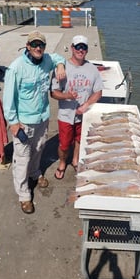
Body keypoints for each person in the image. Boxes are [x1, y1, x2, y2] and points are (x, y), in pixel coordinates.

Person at [3, 30, 66, 214]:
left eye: (41, 45)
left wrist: (60, 65)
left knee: (39, 148)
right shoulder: (16, 68)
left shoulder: (47, 59)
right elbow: (8, 100)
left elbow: (57, 57)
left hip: (42, 118)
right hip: (24, 122)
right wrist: (13, 123)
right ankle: (24, 195)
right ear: (28, 46)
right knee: (22, 158)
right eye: (35, 44)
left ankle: (35, 173)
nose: (38, 48)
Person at [51, 35, 103, 179]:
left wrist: (86, 105)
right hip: (66, 115)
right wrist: (67, 95)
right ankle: (62, 163)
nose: (81, 50)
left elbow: (98, 92)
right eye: (78, 47)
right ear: (72, 48)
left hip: (83, 114)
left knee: (80, 140)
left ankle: (75, 161)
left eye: (84, 47)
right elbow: (54, 93)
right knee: (64, 144)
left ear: (86, 50)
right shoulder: (62, 68)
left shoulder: (92, 69)